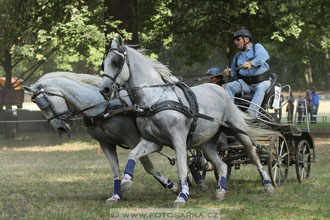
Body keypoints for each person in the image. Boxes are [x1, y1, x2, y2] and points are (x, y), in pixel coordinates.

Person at [224, 29, 271, 117]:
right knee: (229, 86)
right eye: (234, 40)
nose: (236, 42)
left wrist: (251, 63)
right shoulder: (237, 56)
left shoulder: (257, 47)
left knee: (260, 88)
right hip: (246, 84)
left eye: (238, 39)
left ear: (246, 39)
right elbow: (234, 74)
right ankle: (229, 113)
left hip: (262, 82)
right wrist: (229, 73)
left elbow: (263, 56)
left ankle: (251, 115)